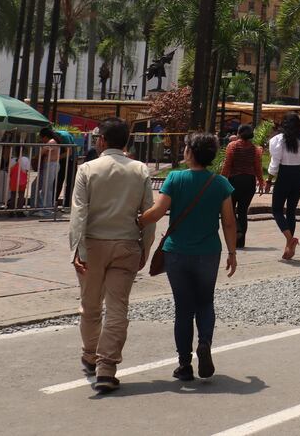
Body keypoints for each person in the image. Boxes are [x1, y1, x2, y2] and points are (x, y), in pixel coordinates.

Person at [68, 117, 155, 393]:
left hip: (92, 245)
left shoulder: (87, 169)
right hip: (127, 244)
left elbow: (78, 212)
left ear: (102, 141)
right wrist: (146, 248)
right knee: (118, 307)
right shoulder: (140, 170)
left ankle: (90, 354)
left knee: (90, 305)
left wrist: (77, 248)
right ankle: (107, 367)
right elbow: (148, 215)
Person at [140, 132, 237, 381]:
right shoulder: (220, 183)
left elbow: (157, 211)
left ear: (190, 152)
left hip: (177, 253)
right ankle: (204, 342)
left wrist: (134, 221)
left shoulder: (175, 178)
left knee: (183, 309)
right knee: (205, 302)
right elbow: (228, 222)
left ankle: (184, 364)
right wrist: (233, 252)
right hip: (208, 253)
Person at [268, 112, 300, 260]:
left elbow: (275, 163)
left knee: (276, 209)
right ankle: (289, 246)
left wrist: (269, 180)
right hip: (298, 176)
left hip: (284, 175)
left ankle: (289, 239)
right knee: (291, 211)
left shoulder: (278, 140)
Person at [221, 124, 264, 249]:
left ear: (238, 133)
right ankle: (241, 242)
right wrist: (261, 181)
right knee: (243, 211)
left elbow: (227, 165)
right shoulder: (256, 149)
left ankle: (237, 231)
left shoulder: (232, 146)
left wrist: (221, 179)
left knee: (230, 209)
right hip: (249, 182)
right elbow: (257, 167)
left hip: (234, 181)